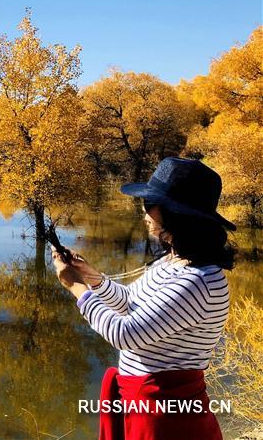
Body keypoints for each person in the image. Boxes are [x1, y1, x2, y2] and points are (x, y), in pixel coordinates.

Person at [53, 157, 236, 440]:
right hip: (143, 400)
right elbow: (130, 304)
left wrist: (77, 289)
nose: (145, 213)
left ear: (173, 214)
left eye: (149, 204)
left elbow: (126, 334)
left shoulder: (200, 280)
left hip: (166, 414)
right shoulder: (174, 261)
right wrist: (92, 278)